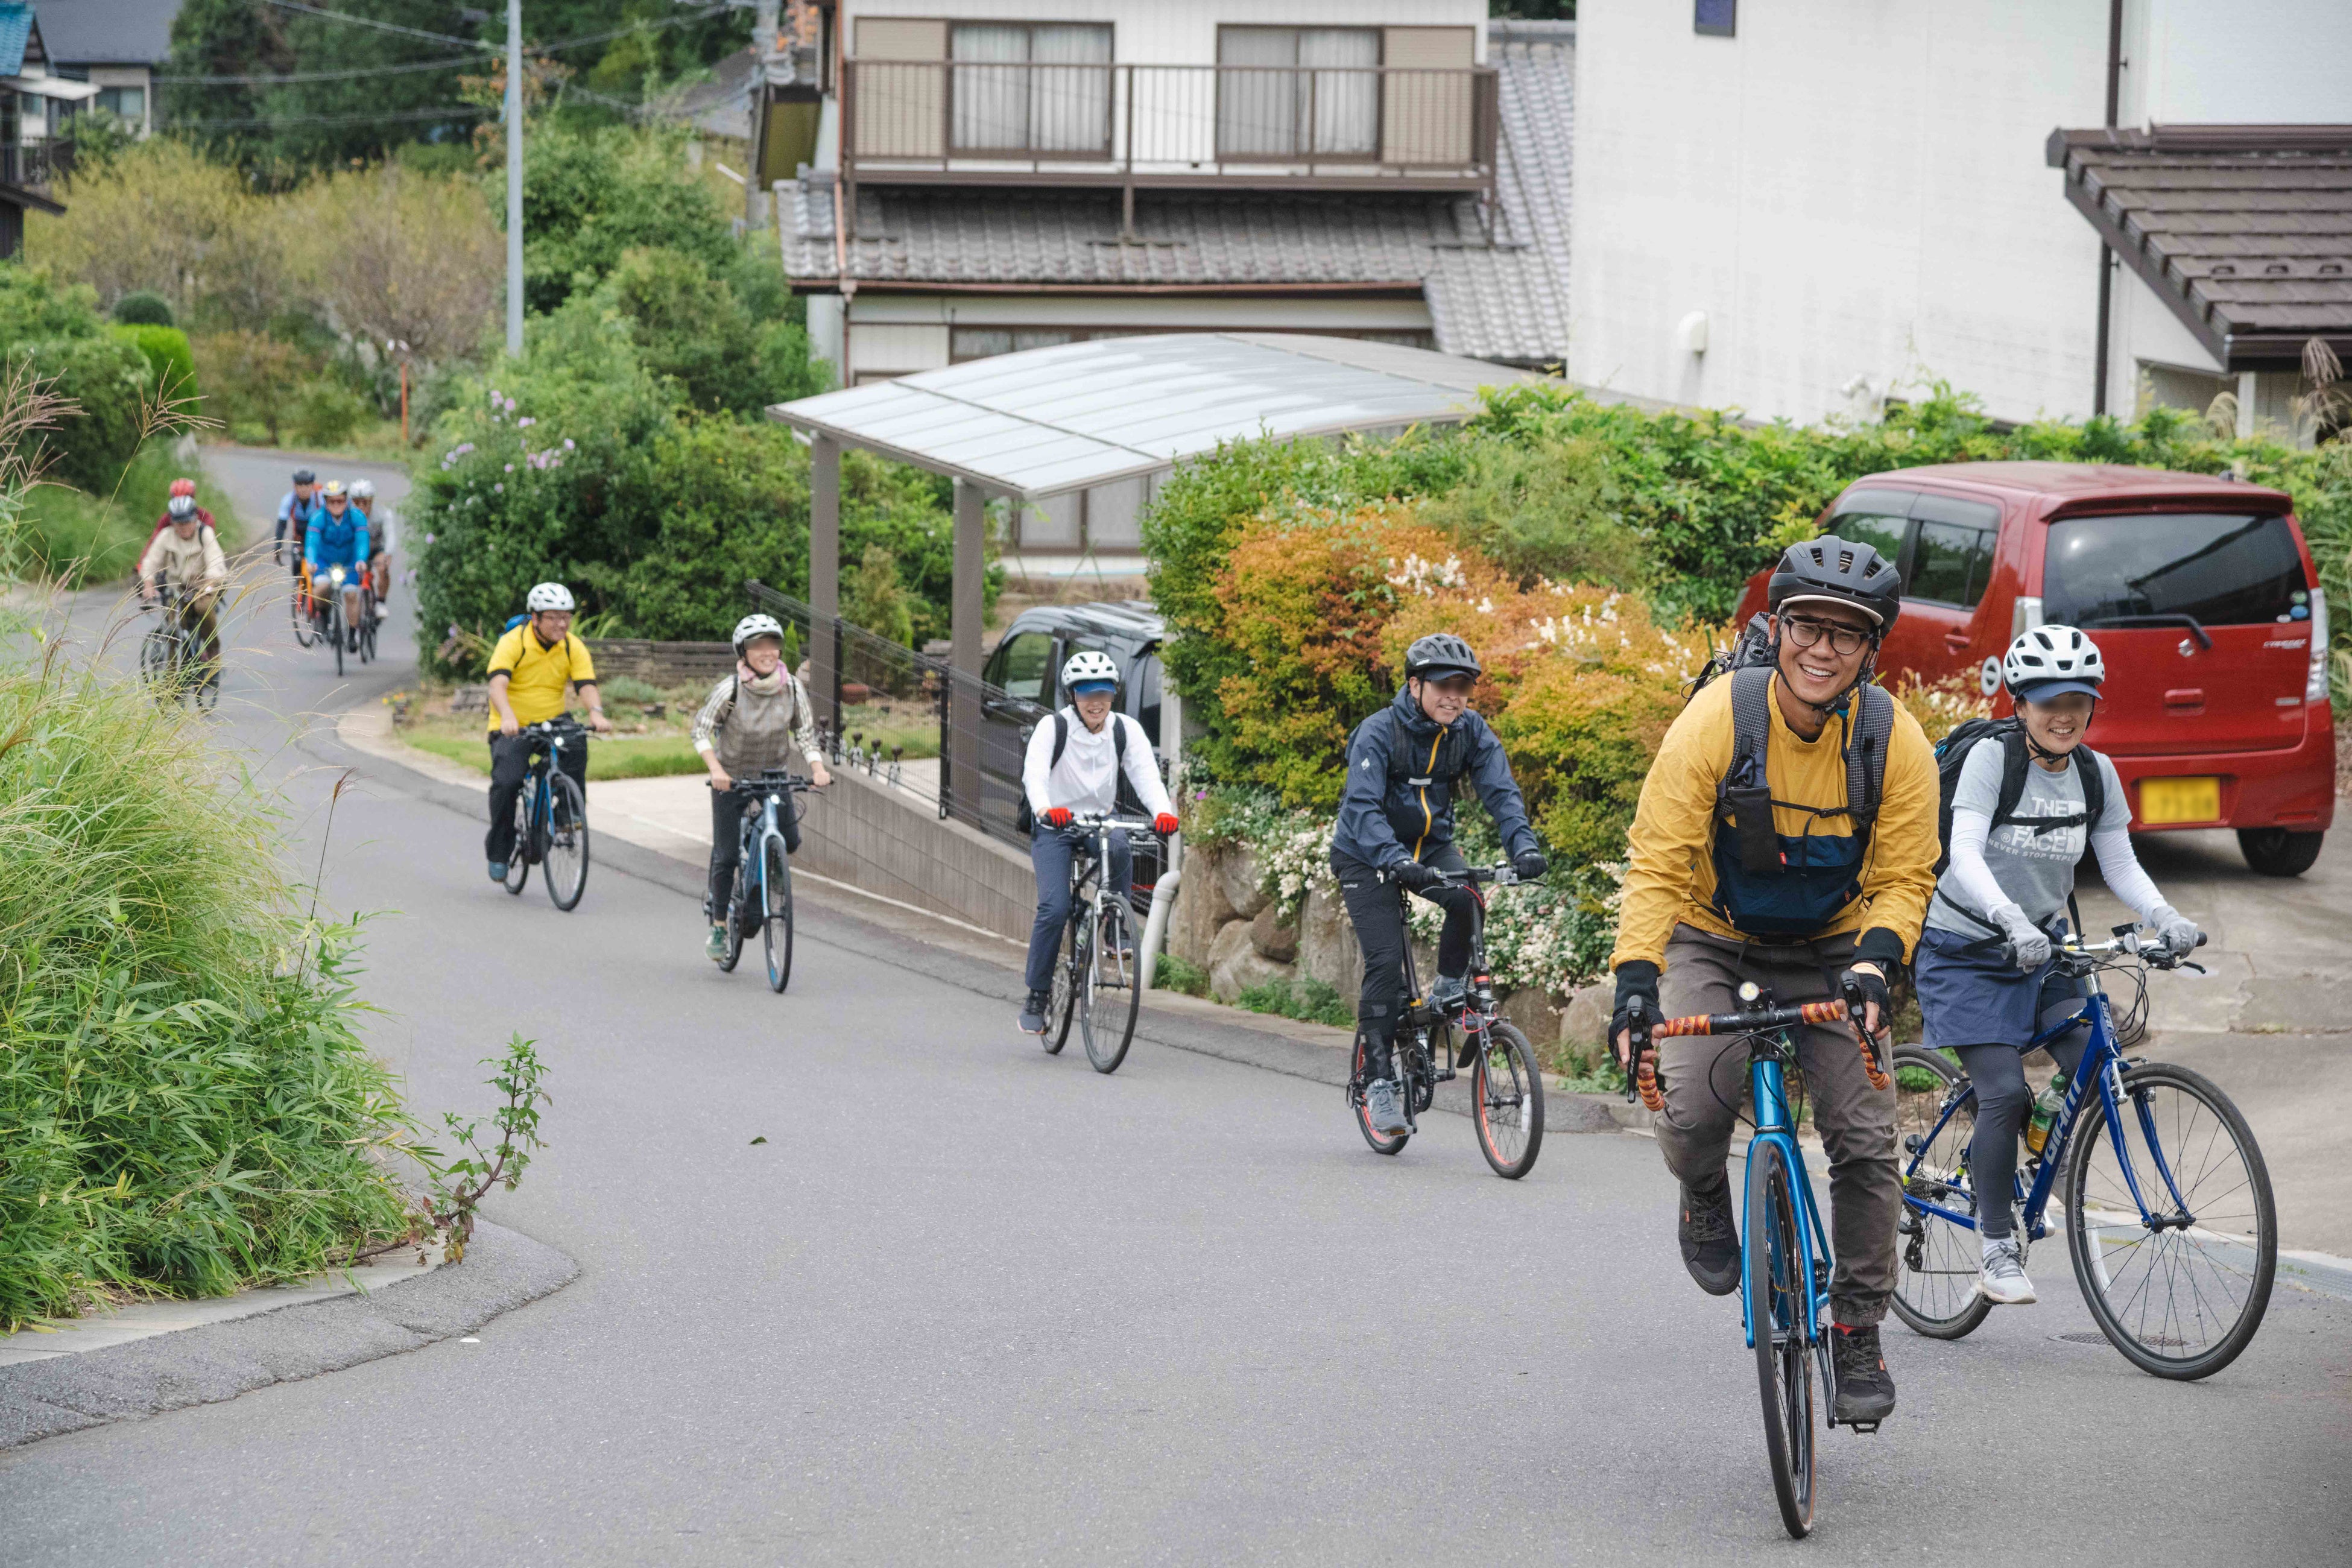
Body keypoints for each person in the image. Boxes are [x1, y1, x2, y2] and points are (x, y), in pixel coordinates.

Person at [1608, 537, 1938, 1427]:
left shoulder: (1892, 739)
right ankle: (1706, 1195)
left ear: (1873, 652)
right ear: (1776, 627)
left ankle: (1858, 1326)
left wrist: (1877, 960)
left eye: (1847, 634)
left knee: (1867, 1144)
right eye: (1807, 627)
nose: (1822, 649)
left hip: (1836, 946)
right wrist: (1637, 978)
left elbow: (1907, 873)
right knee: (1691, 1112)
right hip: (1715, 940)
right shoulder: (1719, 719)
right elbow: (1659, 861)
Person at [1914, 625, 2201, 1306]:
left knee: (2092, 1064)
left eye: (2078, 698)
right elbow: (1966, 851)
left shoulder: (2096, 773)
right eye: (2048, 700)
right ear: (2020, 703)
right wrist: (2008, 918)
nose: (2064, 712)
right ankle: (1995, 1245)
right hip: (1967, 952)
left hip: (2046, 952)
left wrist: (2167, 918)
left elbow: (2121, 861)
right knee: (2004, 1091)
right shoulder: (1992, 758)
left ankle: (2028, 1169)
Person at [1329, 633, 1547, 1137]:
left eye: (1464, 688)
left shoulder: (1469, 731)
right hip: (1365, 854)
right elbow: (1361, 808)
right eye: (1444, 686)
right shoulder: (1378, 732)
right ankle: (1379, 1080)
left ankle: (1449, 991)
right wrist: (1394, 860)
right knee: (1385, 964)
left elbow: (1502, 793)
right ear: (1415, 685)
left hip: (1428, 847)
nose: (1455, 697)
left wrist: (1524, 848)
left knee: (1467, 898)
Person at [1016, 650, 1178, 1034]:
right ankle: (1037, 997)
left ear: (1113, 695)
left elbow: (1146, 777)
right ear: (1072, 695)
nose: (1096, 701)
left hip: (1098, 822)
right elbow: (1034, 776)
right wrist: (1044, 809)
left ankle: (1116, 929)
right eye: (1087, 692)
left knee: (1120, 845)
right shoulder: (1052, 728)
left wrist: (1163, 812)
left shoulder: (1125, 729)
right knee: (1054, 910)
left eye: (1104, 692)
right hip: (1055, 822)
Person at [692, 613, 833, 960]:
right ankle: (720, 926)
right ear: (744, 652)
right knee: (725, 856)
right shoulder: (731, 689)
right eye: (758, 646)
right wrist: (716, 769)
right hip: (733, 777)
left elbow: (804, 733)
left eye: (773, 644)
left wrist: (817, 767)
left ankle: (761, 879)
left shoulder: (794, 688)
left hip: (773, 775)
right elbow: (700, 730)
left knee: (790, 840)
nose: (767, 652)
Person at [484, 583, 612, 883]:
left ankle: (568, 815)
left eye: (566, 617)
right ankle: (500, 851)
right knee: (507, 783)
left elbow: (586, 685)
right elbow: (496, 685)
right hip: (513, 724)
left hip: (551, 721)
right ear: (535, 618)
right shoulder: (514, 642)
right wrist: (508, 716)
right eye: (553, 617)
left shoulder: (571, 645)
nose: (562, 624)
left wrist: (596, 712)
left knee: (576, 743)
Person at [137, 494, 230, 679]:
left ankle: (213, 650)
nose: (184, 527)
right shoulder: (166, 536)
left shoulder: (205, 534)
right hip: (176, 589)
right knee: (172, 629)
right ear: (173, 523)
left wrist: (208, 583)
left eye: (187, 522)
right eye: (179, 523)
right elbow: (151, 560)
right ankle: (172, 682)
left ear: (195, 519)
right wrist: (148, 583)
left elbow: (216, 563)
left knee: (202, 608)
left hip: (204, 587)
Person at [302, 481, 370, 646]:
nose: (336, 505)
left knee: (351, 595)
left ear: (346, 501)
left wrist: (361, 560)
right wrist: (311, 562)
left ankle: (353, 635)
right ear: (326, 502)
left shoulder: (357, 516)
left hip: (350, 561)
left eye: (340, 501)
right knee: (321, 589)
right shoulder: (318, 517)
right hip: (324, 562)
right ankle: (323, 614)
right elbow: (312, 543)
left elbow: (362, 542)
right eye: (332, 501)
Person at [349, 478, 392, 620]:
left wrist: (388, 554)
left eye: (365, 502)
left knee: (382, 568)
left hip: (375, 549)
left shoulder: (382, 514)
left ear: (371, 501)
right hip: (356, 550)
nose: (361, 506)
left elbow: (390, 535)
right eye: (357, 502)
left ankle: (381, 601)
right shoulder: (347, 515)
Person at [274, 469, 317, 570]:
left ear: (312, 485)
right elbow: (281, 526)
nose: (303, 489)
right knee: (297, 567)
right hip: (299, 540)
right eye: (300, 485)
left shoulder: (320, 500)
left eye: (307, 485)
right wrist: (278, 547)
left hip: (317, 539)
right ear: (295, 486)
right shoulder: (288, 500)